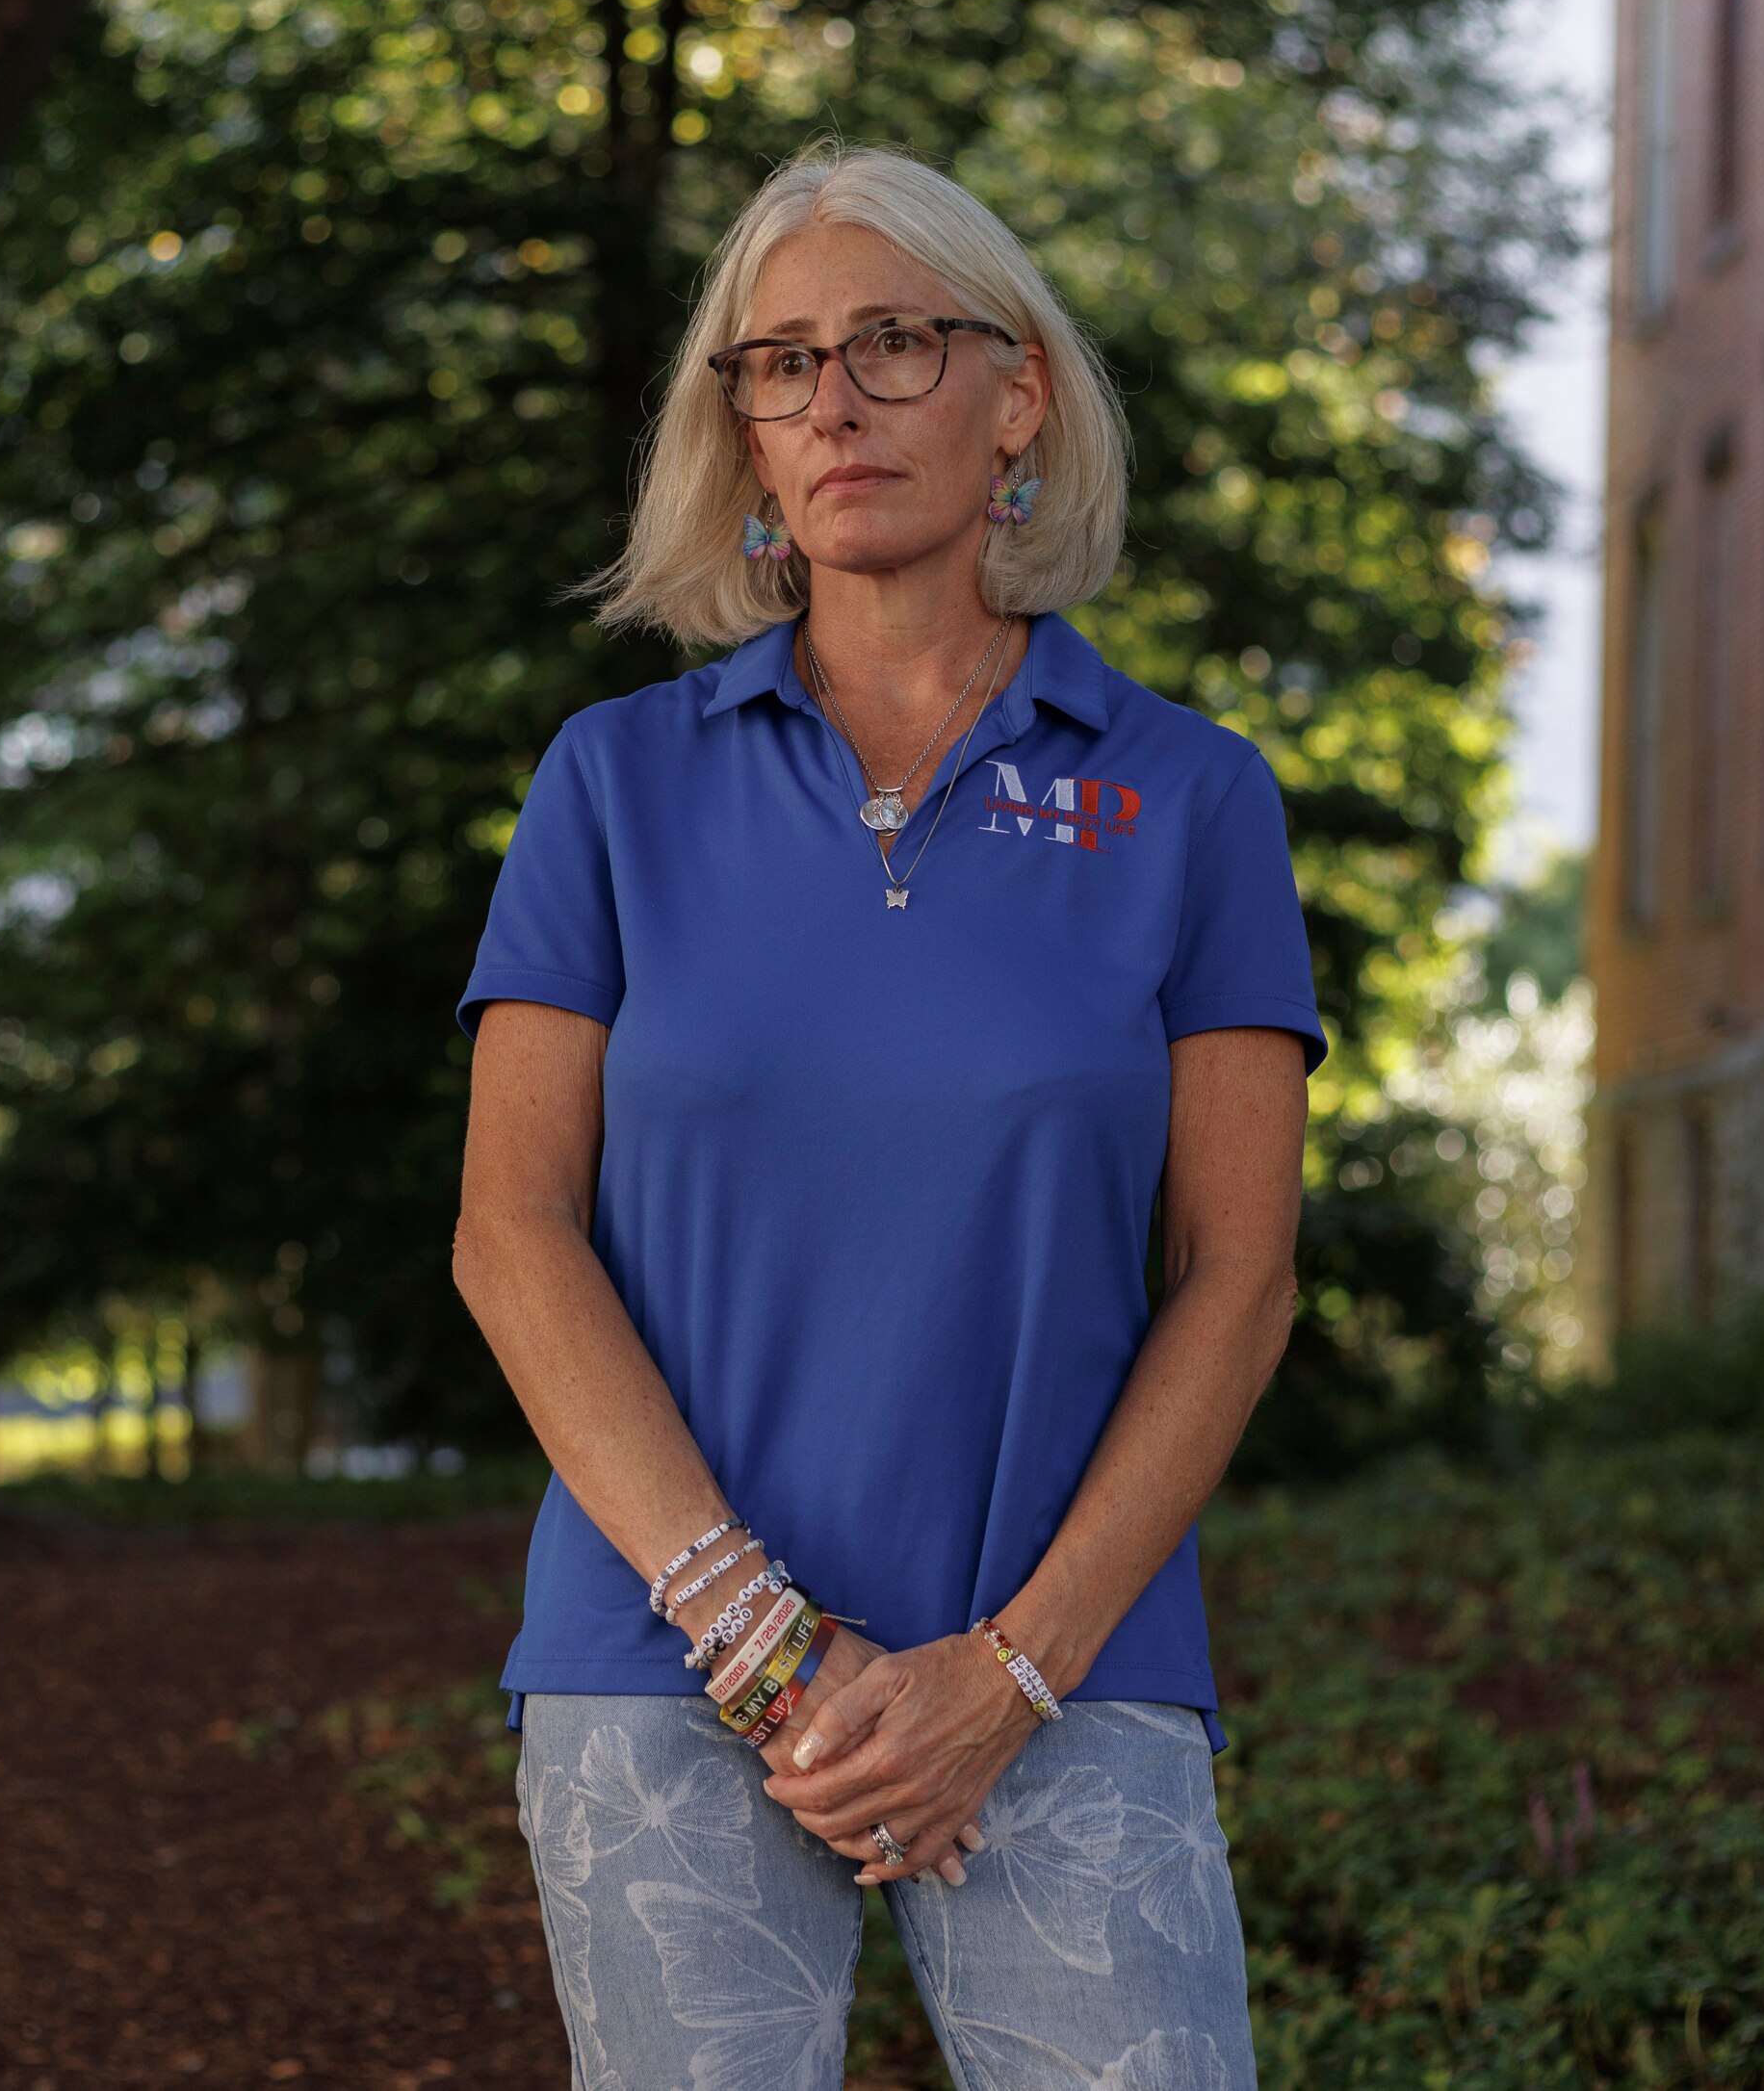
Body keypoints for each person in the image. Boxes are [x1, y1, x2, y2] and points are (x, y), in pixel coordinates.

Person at [449, 142, 1325, 2091]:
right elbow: (510, 1232)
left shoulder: (1189, 799)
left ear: (1019, 394)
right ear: (746, 438)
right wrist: (762, 1641)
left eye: (894, 343)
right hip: (664, 1652)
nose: (833, 401)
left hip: (1063, 1661)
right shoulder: (613, 783)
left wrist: (1007, 1669)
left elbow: (1241, 1275)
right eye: (779, 364)